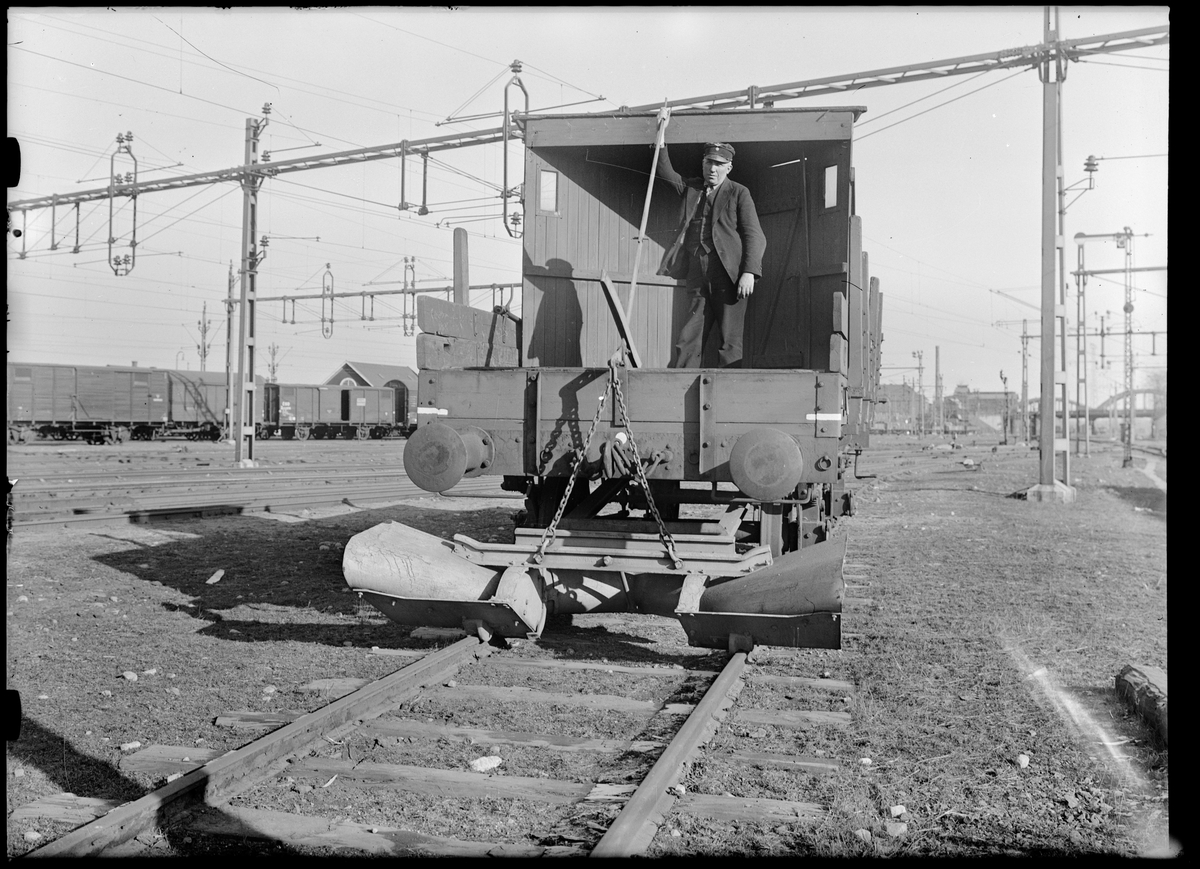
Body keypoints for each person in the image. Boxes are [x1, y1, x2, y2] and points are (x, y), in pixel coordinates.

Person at [656, 140, 766, 368]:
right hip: (697, 273)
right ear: (703, 163)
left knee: (729, 342)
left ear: (729, 167)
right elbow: (666, 173)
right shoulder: (692, 188)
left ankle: (728, 388)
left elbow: (755, 235)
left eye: (719, 164)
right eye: (709, 162)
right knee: (689, 339)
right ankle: (682, 385)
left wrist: (749, 272)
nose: (713, 168)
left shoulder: (739, 193)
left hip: (729, 276)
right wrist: (660, 141)